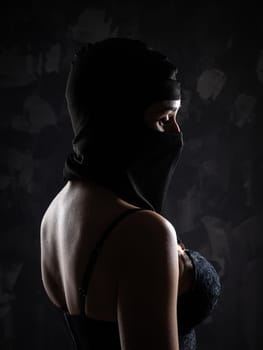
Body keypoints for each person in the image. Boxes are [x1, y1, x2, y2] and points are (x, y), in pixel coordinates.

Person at [40, 38, 221, 350]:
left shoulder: (53, 217)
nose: (177, 134)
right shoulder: (143, 233)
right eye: (164, 119)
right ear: (118, 122)